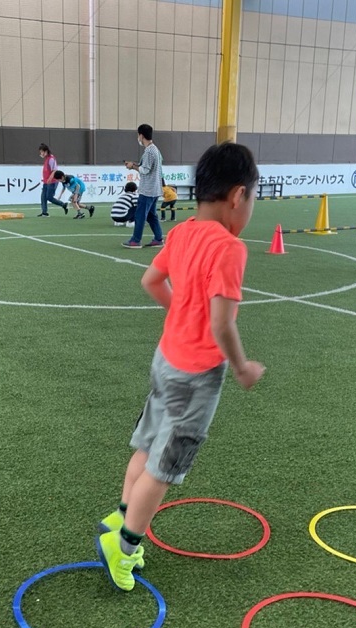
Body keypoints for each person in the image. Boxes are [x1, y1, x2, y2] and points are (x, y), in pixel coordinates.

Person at [95, 142, 266, 591]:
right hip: (196, 374)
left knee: (148, 443)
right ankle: (124, 547)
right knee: (164, 468)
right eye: (253, 198)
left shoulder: (183, 231)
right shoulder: (229, 248)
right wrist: (243, 367)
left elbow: (151, 281)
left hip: (166, 360)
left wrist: (180, 314)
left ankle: (119, 517)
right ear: (238, 195)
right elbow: (222, 323)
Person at [121, 124, 164, 248]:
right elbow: (147, 167)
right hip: (155, 189)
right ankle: (158, 238)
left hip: (148, 189)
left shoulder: (149, 151)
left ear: (141, 135)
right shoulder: (154, 150)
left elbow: (145, 170)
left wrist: (132, 166)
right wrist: (135, 165)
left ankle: (136, 240)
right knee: (151, 215)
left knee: (140, 215)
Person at [37, 144, 68, 216]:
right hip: (46, 181)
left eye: (41, 152)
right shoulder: (47, 158)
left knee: (49, 197)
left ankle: (63, 204)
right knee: (43, 197)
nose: (41, 154)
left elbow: (54, 170)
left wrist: (50, 178)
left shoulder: (51, 159)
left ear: (46, 151)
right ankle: (44, 212)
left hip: (52, 181)